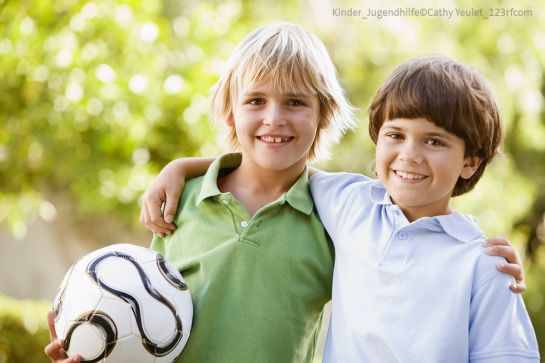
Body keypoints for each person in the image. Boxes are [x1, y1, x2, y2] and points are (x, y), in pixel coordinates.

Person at [139, 57, 538, 362]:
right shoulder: (351, 204)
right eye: (395, 135)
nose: (409, 156)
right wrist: (180, 168)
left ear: (470, 162)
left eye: (434, 142)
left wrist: (489, 257)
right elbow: (270, 161)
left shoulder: (483, 264)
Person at [45, 21, 356, 363]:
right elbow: (145, 328)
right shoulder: (181, 201)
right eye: (255, 100)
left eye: (295, 102)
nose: (274, 118)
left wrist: (182, 164)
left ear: (323, 114)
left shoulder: (333, 217)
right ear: (229, 113)